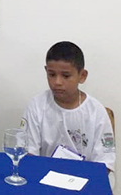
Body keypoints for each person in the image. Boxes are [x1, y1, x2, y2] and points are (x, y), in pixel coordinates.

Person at [21, 41, 115, 171]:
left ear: (82, 76)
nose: (57, 82)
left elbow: (105, 163)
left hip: (85, 176)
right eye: (51, 74)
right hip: (44, 174)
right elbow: (28, 154)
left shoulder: (96, 112)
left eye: (66, 76)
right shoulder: (36, 106)